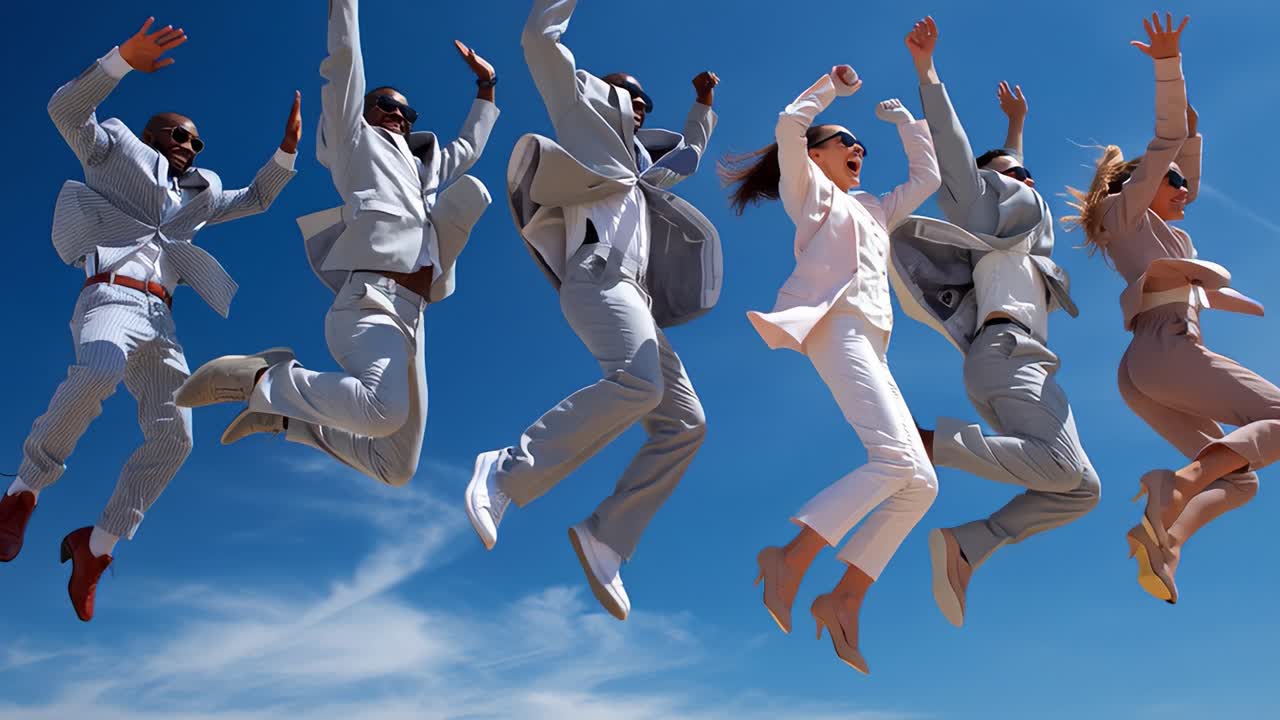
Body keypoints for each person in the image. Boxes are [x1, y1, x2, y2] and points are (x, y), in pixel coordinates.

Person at [0, 17, 299, 622]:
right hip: (109, 296)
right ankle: (22, 493)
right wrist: (120, 62)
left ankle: (97, 547)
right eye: (180, 136)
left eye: (197, 143)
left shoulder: (200, 196)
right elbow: (65, 110)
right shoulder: (114, 149)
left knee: (176, 437)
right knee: (98, 369)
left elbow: (257, 199)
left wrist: (287, 152)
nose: (190, 146)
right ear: (152, 132)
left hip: (162, 322)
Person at [465, 0, 720, 622]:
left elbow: (686, 155)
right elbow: (539, 39)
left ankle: (608, 536)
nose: (639, 104)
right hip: (596, 272)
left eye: (645, 103)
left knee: (685, 423)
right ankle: (506, 470)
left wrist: (703, 105)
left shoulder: (640, 168)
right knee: (638, 384)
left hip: (637, 296)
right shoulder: (584, 118)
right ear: (604, 91)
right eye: (631, 94)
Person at [176, 0, 499, 489]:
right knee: (381, 412)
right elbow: (346, 63)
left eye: (406, 112)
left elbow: (469, 147)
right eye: (386, 105)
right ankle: (261, 379)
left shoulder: (423, 169)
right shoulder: (355, 143)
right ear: (367, 112)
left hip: (414, 317)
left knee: (397, 465)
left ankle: (286, 418)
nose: (398, 115)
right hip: (370, 301)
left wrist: (486, 86)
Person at [722, 64, 939, 673]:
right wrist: (830, 89)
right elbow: (791, 122)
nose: (856, 149)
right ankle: (788, 560)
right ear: (815, 155)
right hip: (835, 327)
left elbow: (928, 176)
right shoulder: (809, 193)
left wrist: (905, 124)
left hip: (874, 340)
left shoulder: (872, 206)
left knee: (922, 483)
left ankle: (844, 598)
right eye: (845, 141)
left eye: (859, 145)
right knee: (895, 460)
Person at [890, 16, 1099, 627]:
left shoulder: (1016, 230)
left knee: (1082, 489)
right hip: (1008, 352)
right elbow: (962, 159)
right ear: (992, 184)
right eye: (1016, 175)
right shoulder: (984, 206)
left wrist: (1017, 128)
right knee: (1062, 471)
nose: (1029, 181)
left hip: (1022, 360)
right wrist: (928, 72)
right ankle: (930, 443)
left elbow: (1013, 173)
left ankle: (969, 544)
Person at [1064, 13, 1272, 605]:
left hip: (1147, 368)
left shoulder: (1163, 236)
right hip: (1165, 352)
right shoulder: (1123, 215)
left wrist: (1190, 131)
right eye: (1173, 180)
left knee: (1242, 479)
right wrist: (1168, 66)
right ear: (1140, 183)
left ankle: (1166, 540)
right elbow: (1164, 145)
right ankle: (1179, 482)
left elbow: (1181, 154)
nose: (1184, 190)